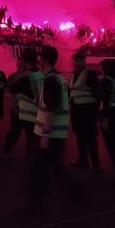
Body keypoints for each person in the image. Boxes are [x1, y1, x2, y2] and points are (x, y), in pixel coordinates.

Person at [22, 45, 81, 215]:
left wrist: (45, 135)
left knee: (36, 170)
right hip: (57, 135)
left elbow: (50, 109)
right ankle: (78, 194)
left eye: (40, 57)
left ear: (44, 59)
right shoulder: (59, 78)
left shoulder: (50, 80)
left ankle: (35, 205)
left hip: (50, 135)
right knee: (56, 170)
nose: (37, 59)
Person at [3, 49, 44, 158]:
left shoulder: (26, 76)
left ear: (25, 61)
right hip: (34, 113)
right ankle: (31, 162)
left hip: (22, 112)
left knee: (16, 134)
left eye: (21, 60)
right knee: (30, 139)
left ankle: (8, 152)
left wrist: (19, 72)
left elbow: (11, 88)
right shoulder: (41, 74)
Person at [68, 53, 102, 171]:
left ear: (84, 61)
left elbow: (97, 94)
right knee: (80, 136)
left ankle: (96, 164)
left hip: (88, 111)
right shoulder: (73, 75)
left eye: (79, 61)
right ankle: (83, 160)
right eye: (75, 61)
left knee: (91, 138)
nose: (76, 63)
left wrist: (96, 113)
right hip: (76, 111)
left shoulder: (91, 75)